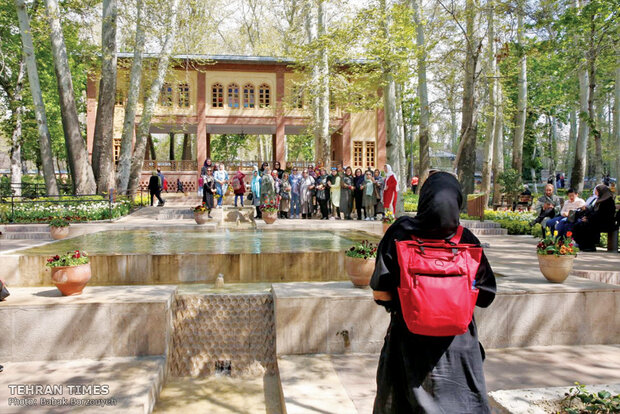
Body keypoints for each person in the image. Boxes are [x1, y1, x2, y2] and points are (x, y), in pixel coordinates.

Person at [371, 171, 496, 414]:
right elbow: (486, 296)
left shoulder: (400, 234)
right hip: (459, 348)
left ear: (424, 199)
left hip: (407, 341)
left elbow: (380, 293)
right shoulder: (467, 240)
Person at [572, 184, 616, 251]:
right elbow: (592, 211)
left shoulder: (608, 201)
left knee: (587, 225)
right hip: (597, 220)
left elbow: (602, 214)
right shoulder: (600, 200)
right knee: (578, 224)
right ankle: (582, 244)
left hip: (606, 222)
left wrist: (588, 219)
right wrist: (586, 217)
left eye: (597, 191)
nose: (595, 192)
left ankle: (590, 246)